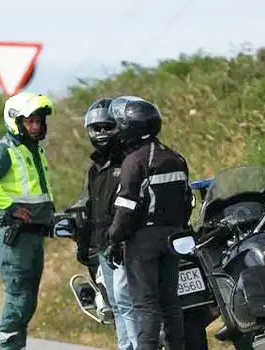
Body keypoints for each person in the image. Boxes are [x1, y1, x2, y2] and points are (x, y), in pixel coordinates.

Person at [104, 95, 192, 349]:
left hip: (143, 243)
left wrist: (113, 239)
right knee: (171, 303)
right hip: (174, 238)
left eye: (119, 124)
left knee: (145, 305)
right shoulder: (175, 157)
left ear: (131, 128)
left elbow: (125, 211)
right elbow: (186, 202)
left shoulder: (135, 161)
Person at [0, 91, 57, 350]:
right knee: (19, 295)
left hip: (35, 233)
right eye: (30, 121)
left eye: (39, 121)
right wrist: (11, 208)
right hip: (15, 235)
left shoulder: (34, 150)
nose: (36, 126)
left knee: (29, 298)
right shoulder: (5, 150)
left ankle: (16, 346)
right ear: (16, 122)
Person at [65, 97, 139, 350]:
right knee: (117, 305)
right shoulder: (95, 168)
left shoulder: (130, 162)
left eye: (108, 127)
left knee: (128, 303)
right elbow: (89, 205)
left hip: (124, 244)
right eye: (97, 128)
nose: (103, 133)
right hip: (103, 246)